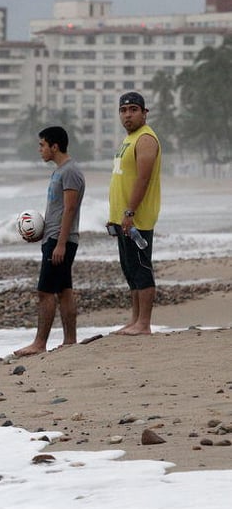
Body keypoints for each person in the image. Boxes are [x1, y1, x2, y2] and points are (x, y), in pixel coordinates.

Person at [15, 126, 85, 357]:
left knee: (45, 292)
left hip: (60, 240)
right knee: (64, 290)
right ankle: (70, 342)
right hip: (53, 238)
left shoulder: (70, 172)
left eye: (42, 145)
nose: (40, 150)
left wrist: (61, 243)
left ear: (55, 146)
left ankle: (39, 343)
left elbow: (70, 208)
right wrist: (39, 233)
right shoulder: (60, 171)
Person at [107, 91, 162, 335]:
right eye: (123, 110)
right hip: (123, 218)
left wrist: (129, 212)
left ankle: (144, 323)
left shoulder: (146, 139)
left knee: (141, 267)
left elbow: (143, 178)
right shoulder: (129, 140)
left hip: (137, 217)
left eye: (133, 110)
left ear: (144, 112)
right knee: (129, 269)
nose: (127, 115)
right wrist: (115, 215)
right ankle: (135, 319)